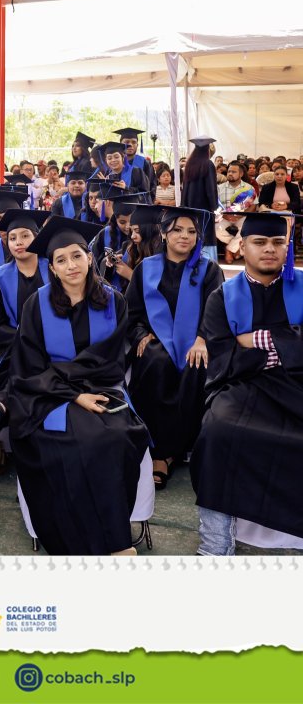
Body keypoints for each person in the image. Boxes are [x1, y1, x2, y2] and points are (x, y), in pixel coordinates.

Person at [7, 216, 151, 555]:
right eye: (61, 260)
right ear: (52, 268)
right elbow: (28, 366)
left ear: (90, 257)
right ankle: (102, 543)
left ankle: (112, 540)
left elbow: (110, 360)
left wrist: (83, 391)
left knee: (115, 437)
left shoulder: (114, 300)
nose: (71, 265)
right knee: (78, 440)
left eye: (77, 256)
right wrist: (73, 394)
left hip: (104, 388)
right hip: (45, 395)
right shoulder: (36, 305)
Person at [191, 212, 303, 554]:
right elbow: (222, 355)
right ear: (242, 247)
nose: (269, 249)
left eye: (277, 242)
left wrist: (259, 340)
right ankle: (215, 542)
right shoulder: (221, 297)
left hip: (295, 385)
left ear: (287, 248)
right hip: (241, 385)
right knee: (217, 432)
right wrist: (285, 345)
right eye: (259, 242)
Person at [125, 206, 224, 490]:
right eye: (178, 230)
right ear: (163, 233)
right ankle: (159, 450)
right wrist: (141, 333)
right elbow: (132, 313)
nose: (185, 236)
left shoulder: (209, 269)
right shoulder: (147, 268)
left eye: (192, 231)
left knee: (196, 364)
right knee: (155, 361)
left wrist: (202, 339)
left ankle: (183, 446)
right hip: (157, 341)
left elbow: (216, 311)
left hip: (197, 341)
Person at [0, 209, 50, 468]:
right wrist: (22, 336)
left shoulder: (54, 270)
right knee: (22, 366)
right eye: (13, 237)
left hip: (55, 350)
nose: (19, 242)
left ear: (37, 238)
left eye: (25, 236)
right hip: (11, 351)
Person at [181, 137, 219, 261]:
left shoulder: (189, 164)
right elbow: (211, 188)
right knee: (206, 238)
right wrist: (214, 206)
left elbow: (185, 188)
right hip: (204, 210)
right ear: (207, 149)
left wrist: (184, 206)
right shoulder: (208, 164)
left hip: (190, 209)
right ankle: (207, 266)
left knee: (193, 235)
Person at [113, 127, 155, 196]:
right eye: (127, 142)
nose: (130, 145)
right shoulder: (114, 163)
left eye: (134, 142)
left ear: (137, 145)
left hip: (139, 203)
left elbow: (151, 187)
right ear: (120, 144)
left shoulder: (145, 163)